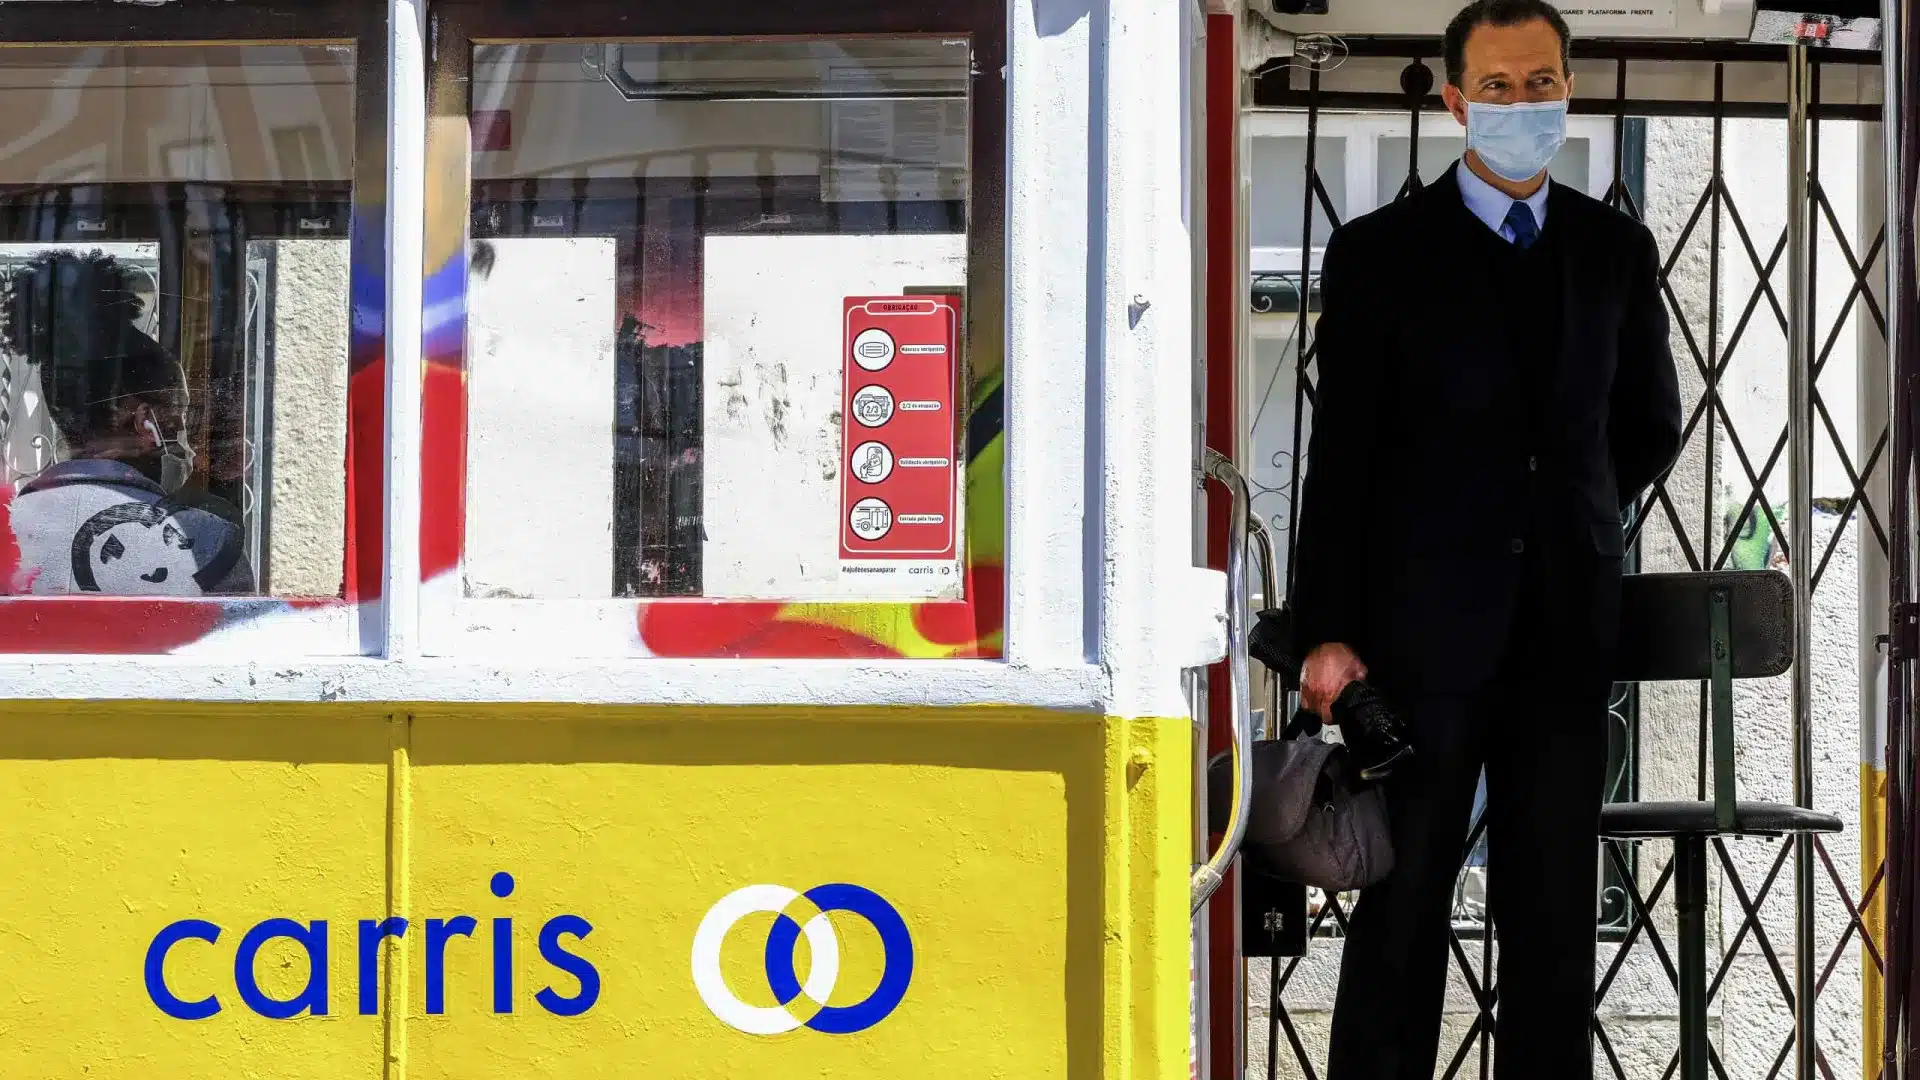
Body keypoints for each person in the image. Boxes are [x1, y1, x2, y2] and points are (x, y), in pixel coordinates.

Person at [1287, 2, 1684, 1076]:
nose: (1523, 105)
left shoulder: (1614, 249)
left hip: (1564, 629)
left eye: (1542, 83)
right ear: (1457, 99)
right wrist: (1326, 629)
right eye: (1499, 87)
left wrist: (1568, 511)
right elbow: (1344, 456)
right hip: (1417, 638)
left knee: (1553, 909)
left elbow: (1650, 421)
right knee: (1401, 901)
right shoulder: (1381, 253)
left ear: (1571, 89)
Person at [0, 250, 249, 596]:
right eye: (175, 423)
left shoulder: (8, 532)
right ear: (145, 422)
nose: (185, 446)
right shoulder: (208, 542)